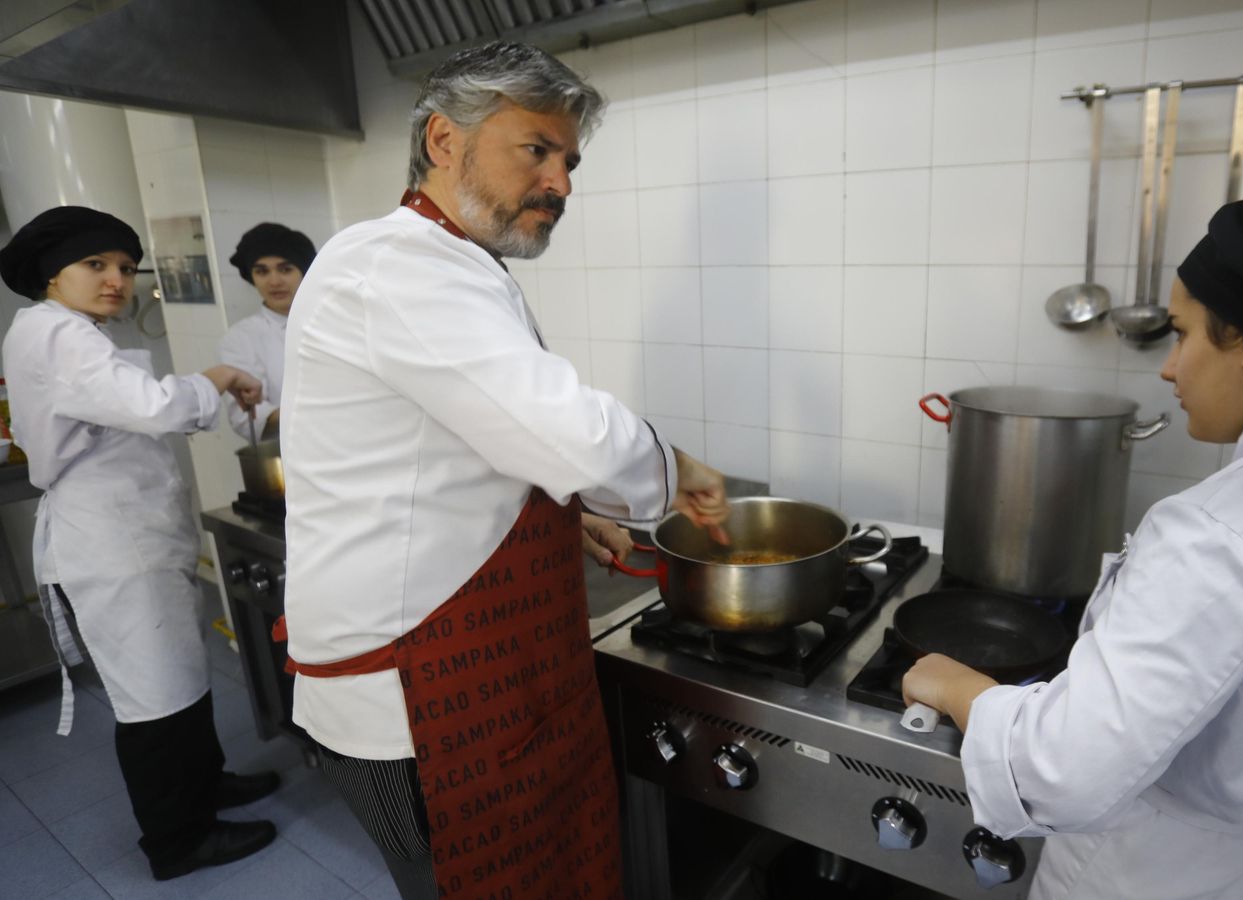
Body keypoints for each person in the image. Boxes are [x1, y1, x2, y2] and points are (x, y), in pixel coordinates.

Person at [903, 189, 1243, 899]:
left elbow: (1065, 771)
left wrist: (962, 689)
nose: (1170, 368)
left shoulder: (1220, 529)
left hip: (1156, 871)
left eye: (1184, 333)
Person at [277, 41, 730, 900]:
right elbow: (573, 437)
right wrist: (677, 469)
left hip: (478, 674)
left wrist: (567, 512)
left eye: (568, 160)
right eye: (537, 149)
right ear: (445, 142)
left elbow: (469, 440)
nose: (561, 182)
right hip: (415, 703)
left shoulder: (453, 264)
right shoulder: (395, 263)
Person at [0, 206, 283, 881]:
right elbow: (155, 406)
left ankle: (208, 785)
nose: (115, 280)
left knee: (179, 673)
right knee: (152, 698)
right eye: (95, 265)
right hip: (110, 542)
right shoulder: (56, 332)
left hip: (137, 536)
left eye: (125, 267)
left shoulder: (71, 331)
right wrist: (216, 376)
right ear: (52, 274)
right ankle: (178, 842)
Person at [218, 222, 316, 440]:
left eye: (285, 269)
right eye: (262, 271)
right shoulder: (241, 338)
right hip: (288, 456)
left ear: (304, 272)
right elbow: (247, 417)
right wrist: (320, 415)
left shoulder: (334, 324)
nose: (274, 281)